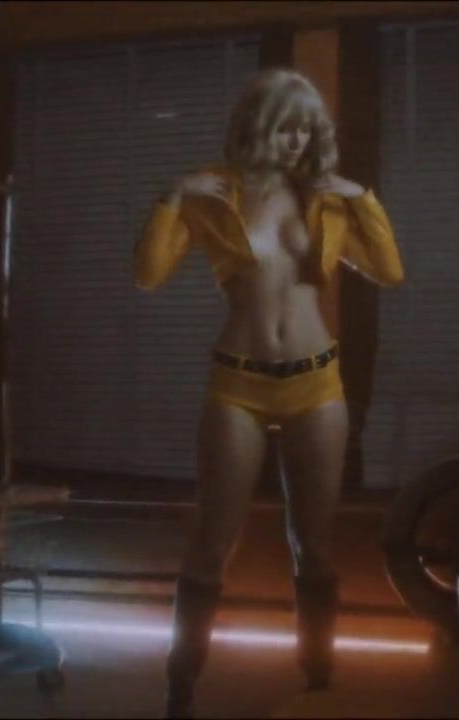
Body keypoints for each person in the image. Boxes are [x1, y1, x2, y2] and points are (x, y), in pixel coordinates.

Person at [134, 67, 404, 718]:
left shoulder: (326, 196)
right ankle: (180, 685)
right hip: (240, 383)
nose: (296, 142)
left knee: (314, 543)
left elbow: (389, 271)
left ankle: (318, 682)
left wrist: (363, 198)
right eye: (286, 128)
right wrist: (171, 197)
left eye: (306, 130)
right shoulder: (213, 191)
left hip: (317, 383)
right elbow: (148, 273)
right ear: (257, 125)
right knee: (213, 541)